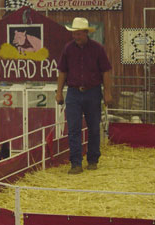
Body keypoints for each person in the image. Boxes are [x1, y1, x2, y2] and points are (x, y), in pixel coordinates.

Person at [55, 17, 112, 174]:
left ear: (86, 33)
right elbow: (63, 71)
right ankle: (76, 163)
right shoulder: (68, 49)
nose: (76, 36)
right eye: (74, 33)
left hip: (93, 91)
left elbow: (106, 71)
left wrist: (107, 92)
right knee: (73, 128)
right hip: (73, 92)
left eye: (79, 34)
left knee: (94, 127)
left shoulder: (98, 49)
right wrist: (59, 92)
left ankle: (93, 160)